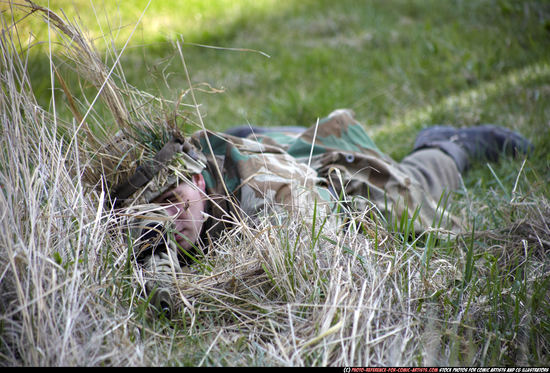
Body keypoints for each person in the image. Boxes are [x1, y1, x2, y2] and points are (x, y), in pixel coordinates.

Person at [113, 109, 533, 318]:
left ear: (195, 179)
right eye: (155, 216)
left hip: (324, 179)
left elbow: (322, 252)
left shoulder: (263, 191)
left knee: (406, 198)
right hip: (268, 149)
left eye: (171, 202)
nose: (171, 219)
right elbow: (154, 252)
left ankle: (451, 142)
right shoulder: (174, 193)